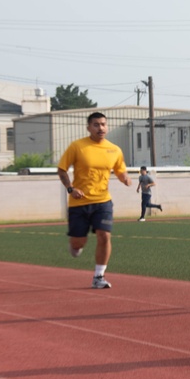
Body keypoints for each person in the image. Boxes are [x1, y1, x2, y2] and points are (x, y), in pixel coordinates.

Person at [56, 111, 132, 289]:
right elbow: (62, 169)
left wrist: (125, 179)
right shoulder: (77, 146)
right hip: (79, 202)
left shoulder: (114, 149)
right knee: (77, 243)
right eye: (96, 124)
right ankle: (76, 244)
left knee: (104, 235)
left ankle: (99, 276)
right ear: (88, 127)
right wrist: (70, 188)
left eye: (104, 124)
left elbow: (120, 169)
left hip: (103, 201)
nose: (101, 128)